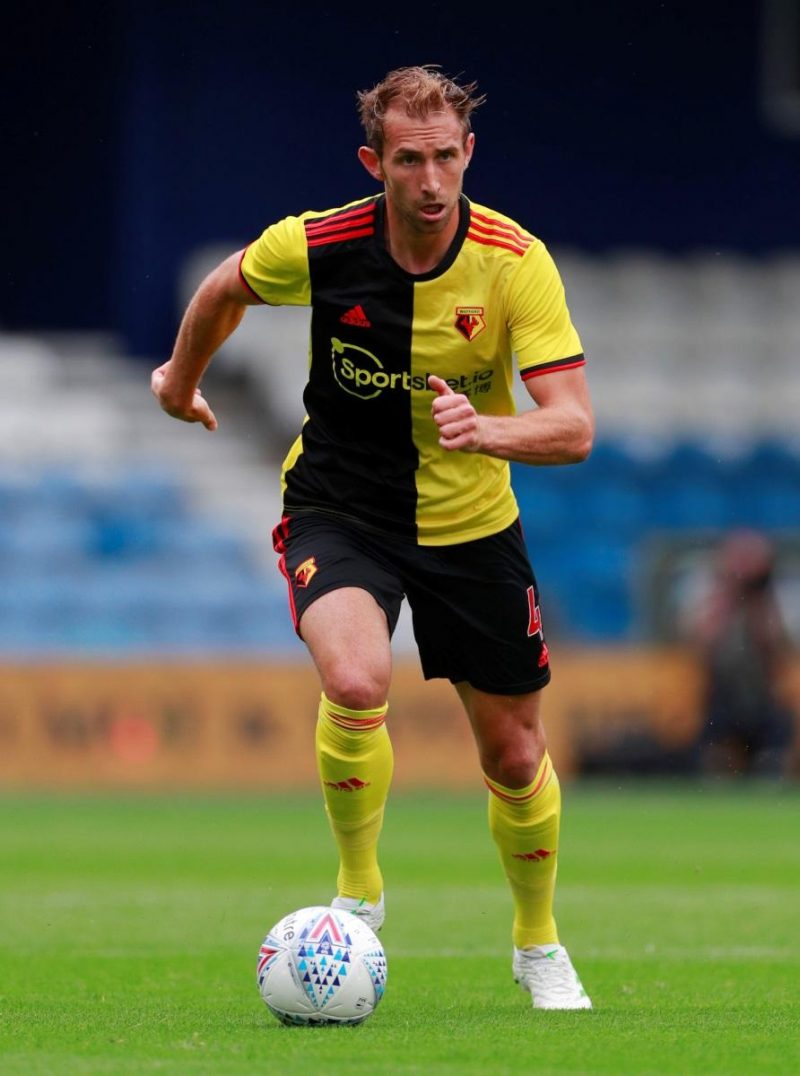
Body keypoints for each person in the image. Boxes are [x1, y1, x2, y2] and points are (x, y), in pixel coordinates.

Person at [152, 65, 595, 1010]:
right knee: (355, 681)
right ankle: (359, 888)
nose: (431, 181)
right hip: (341, 506)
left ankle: (537, 942)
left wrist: (490, 430)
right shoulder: (318, 244)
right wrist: (179, 381)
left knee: (516, 757)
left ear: (468, 153)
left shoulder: (516, 262)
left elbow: (574, 427)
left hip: (472, 524)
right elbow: (223, 288)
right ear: (374, 163)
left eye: (445, 158)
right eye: (408, 161)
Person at [686, 529, 795, 778]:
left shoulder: (776, 598)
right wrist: (728, 598)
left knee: (777, 735)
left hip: (762, 695)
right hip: (721, 695)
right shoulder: (709, 593)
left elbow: (780, 645)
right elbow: (701, 641)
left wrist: (759, 604)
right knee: (712, 747)